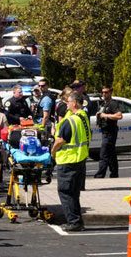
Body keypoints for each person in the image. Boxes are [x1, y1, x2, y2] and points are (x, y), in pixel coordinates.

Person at [51, 91, 90, 232]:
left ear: (74, 103)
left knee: (66, 192)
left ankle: (73, 222)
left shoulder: (71, 120)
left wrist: (53, 151)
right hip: (80, 158)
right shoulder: (83, 116)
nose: (66, 103)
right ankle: (77, 221)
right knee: (74, 193)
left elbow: (61, 140)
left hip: (68, 160)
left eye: (68, 101)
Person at [93, 86, 123, 178]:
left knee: (104, 153)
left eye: (106, 92)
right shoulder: (103, 104)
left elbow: (119, 116)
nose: (104, 94)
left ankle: (100, 174)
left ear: (110, 93)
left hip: (110, 131)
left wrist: (106, 115)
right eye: (102, 92)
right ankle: (114, 173)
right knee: (111, 153)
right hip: (104, 131)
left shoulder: (112, 103)